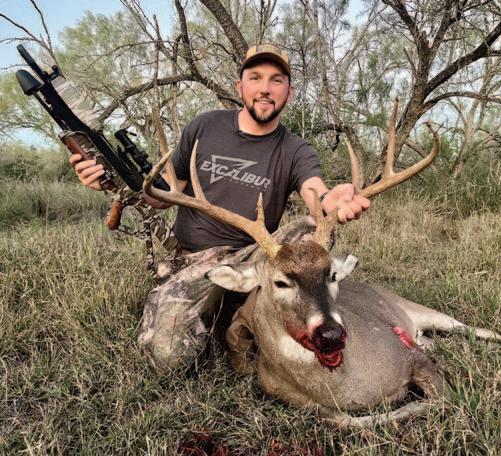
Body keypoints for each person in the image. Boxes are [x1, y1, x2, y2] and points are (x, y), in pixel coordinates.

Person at [70, 44, 370, 370]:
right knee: (168, 358)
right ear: (240, 86)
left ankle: (246, 322)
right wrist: (110, 183)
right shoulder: (204, 127)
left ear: (289, 92)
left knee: (313, 230)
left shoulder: (296, 149)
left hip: (255, 259)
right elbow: (161, 196)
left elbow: (316, 193)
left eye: (276, 80)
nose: (265, 88)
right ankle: (226, 309)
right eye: (255, 78)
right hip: (194, 259)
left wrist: (329, 202)